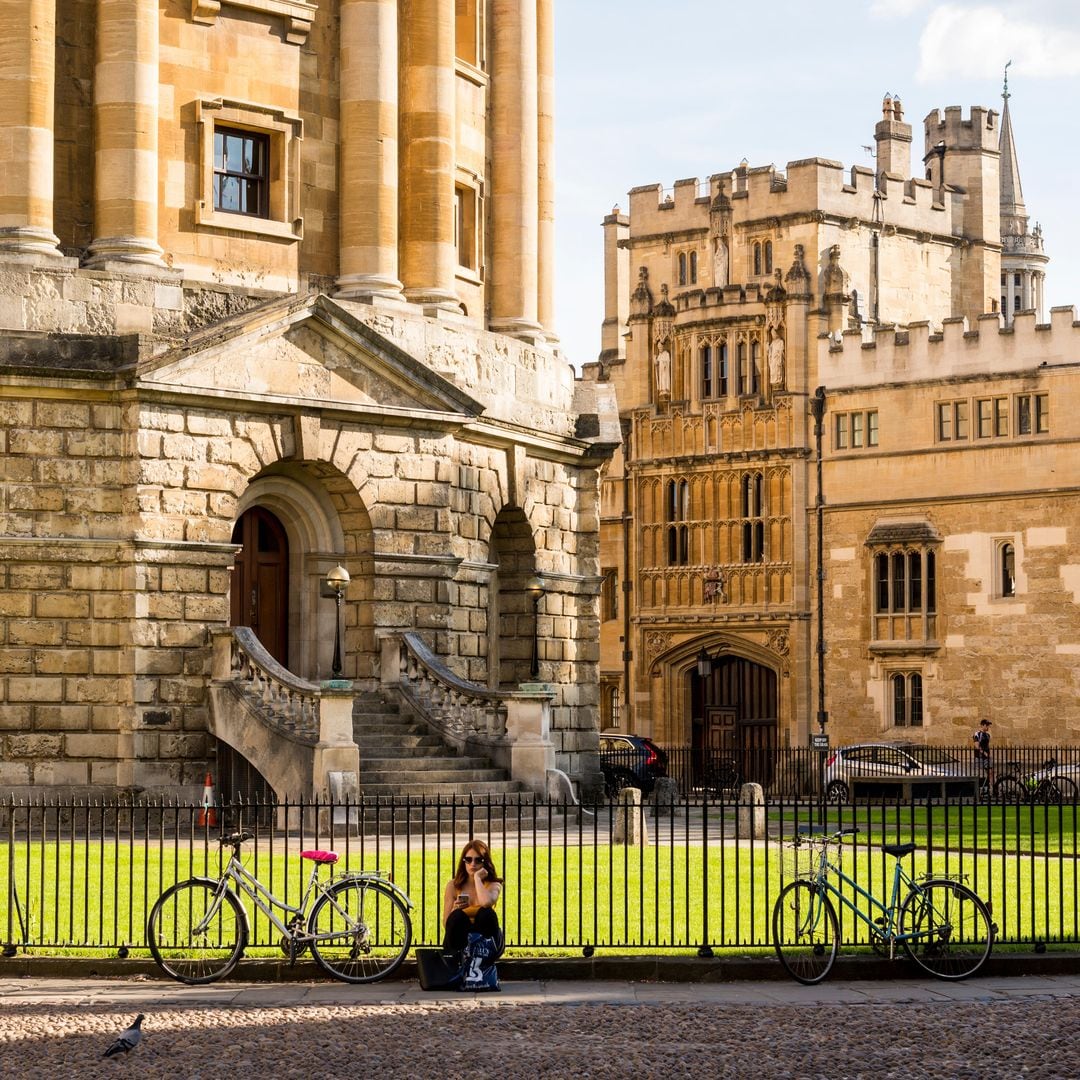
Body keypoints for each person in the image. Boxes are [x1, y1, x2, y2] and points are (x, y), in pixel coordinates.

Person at [442, 839, 502, 954]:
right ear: (463, 862)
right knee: (457, 916)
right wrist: (455, 909)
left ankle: (483, 955)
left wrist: (477, 878)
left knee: (486, 913)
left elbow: (486, 903)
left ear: (485, 862)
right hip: (460, 938)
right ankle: (459, 957)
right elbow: (446, 924)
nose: (473, 864)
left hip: (486, 939)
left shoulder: (494, 885)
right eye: (468, 860)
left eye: (478, 860)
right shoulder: (453, 886)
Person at [973, 718, 992, 791]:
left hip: (987, 757)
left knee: (990, 773)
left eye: (988, 726)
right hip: (979, 757)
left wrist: (988, 754)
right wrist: (984, 753)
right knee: (979, 774)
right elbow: (977, 746)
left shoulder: (987, 735)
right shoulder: (977, 734)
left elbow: (987, 746)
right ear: (982, 725)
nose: (988, 727)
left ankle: (991, 788)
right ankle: (978, 789)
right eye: (987, 725)